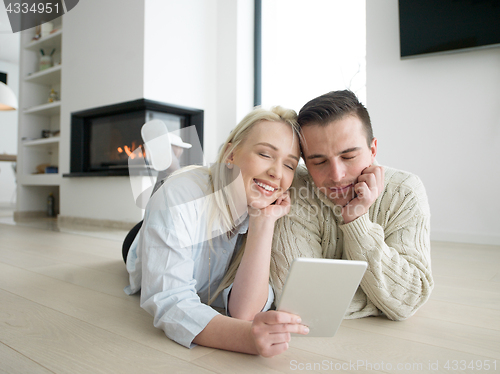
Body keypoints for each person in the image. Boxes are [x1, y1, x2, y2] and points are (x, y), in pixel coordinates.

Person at [124, 106, 309, 357]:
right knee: (169, 198)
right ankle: (173, 167)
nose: (277, 172)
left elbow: (245, 313)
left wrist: (262, 224)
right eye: (265, 154)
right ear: (231, 154)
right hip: (141, 241)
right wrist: (245, 338)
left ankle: (174, 162)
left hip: (199, 212)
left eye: (289, 165)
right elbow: (170, 300)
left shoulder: (272, 210)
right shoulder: (179, 198)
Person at [270, 90, 433, 321]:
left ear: (373, 149)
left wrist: (357, 220)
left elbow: (408, 300)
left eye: (348, 157)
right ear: (306, 162)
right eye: (319, 161)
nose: (337, 175)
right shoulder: (295, 186)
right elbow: (299, 302)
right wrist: (380, 299)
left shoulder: (405, 191)